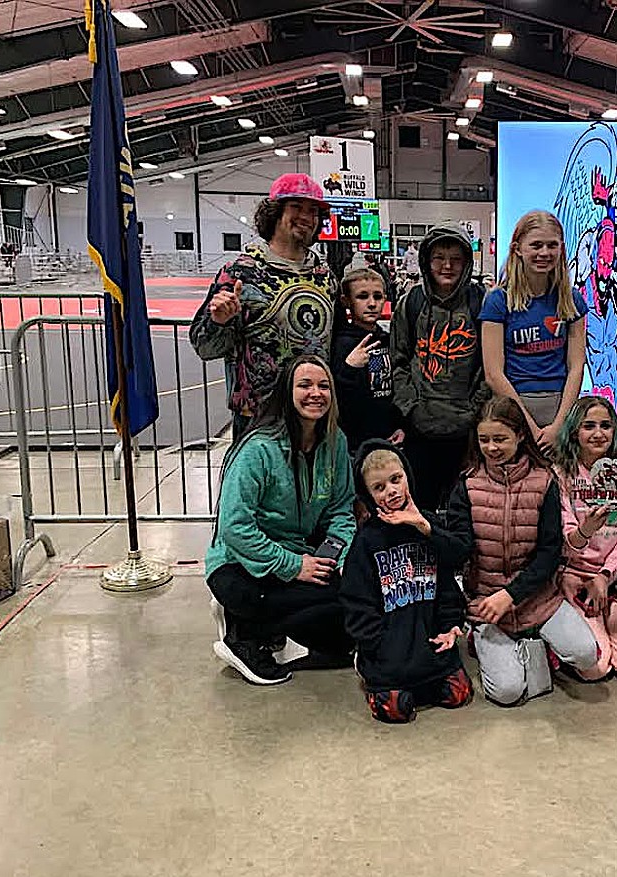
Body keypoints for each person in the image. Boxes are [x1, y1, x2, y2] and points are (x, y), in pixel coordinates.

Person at [205, 354, 357, 686]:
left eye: (323, 386)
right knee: (321, 610)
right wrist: (293, 565)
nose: (315, 393)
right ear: (287, 392)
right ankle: (243, 634)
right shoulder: (257, 450)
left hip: (300, 555)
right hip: (240, 565)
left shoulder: (336, 443)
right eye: (305, 385)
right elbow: (235, 527)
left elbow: (342, 510)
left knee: (353, 596)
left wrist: (337, 558)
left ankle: (263, 628)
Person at [447, 397, 599, 706]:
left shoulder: (544, 481)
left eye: (500, 439)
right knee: (507, 692)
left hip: (538, 598)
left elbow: (549, 553)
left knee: (586, 653)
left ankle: (538, 642)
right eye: (484, 439)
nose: (492, 448)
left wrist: (512, 595)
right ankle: (496, 643)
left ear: (519, 436)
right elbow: (457, 548)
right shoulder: (467, 484)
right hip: (487, 604)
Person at [191, 173, 336, 441]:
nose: (306, 216)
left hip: (312, 418)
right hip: (258, 422)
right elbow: (205, 346)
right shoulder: (241, 272)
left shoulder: (324, 275)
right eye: (296, 207)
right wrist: (219, 321)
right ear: (274, 213)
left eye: (313, 211)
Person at [340, 441, 474, 724]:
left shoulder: (427, 523)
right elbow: (356, 602)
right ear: (369, 494)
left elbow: (449, 579)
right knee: (396, 710)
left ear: (407, 477)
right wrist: (379, 643)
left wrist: (451, 626)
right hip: (391, 650)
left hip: (431, 643)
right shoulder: (366, 541)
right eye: (379, 487)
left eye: (395, 480)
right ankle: (367, 670)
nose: (390, 490)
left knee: (458, 694)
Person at [391, 224, 490, 511]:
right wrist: (412, 408)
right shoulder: (411, 302)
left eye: (456, 259)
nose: (447, 266)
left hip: (468, 430)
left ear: (467, 263)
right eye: (439, 258)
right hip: (421, 428)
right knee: (421, 505)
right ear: (426, 261)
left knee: (466, 507)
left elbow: (491, 365)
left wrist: (475, 410)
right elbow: (398, 360)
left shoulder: (480, 303)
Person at [554, 396, 617, 681]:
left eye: (605, 426)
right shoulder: (561, 472)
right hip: (577, 576)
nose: (598, 433)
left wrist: (606, 576)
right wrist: (585, 530)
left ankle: (613, 618)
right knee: (594, 670)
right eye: (588, 426)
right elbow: (565, 540)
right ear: (574, 431)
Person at [481, 210, 588, 450]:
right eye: (536, 245)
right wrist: (528, 426)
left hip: (560, 410)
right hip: (512, 411)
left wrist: (560, 425)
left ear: (561, 248)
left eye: (552, 245)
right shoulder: (498, 301)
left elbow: (576, 366)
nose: (544, 253)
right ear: (518, 248)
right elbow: (493, 374)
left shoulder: (571, 300)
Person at [330, 267, 404, 453]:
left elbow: (394, 389)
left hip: (388, 437)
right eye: (362, 297)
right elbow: (336, 398)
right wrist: (349, 368)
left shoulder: (388, 340)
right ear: (346, 301)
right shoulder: (340, 343)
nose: (372, 304)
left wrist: (400, 425)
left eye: (377, 297)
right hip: (353, 443)